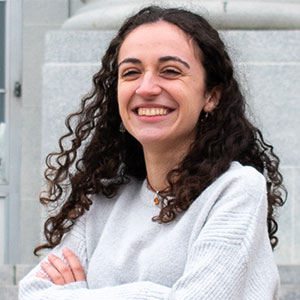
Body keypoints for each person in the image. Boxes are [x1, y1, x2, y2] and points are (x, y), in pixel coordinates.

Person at [19, 5, 286, 300]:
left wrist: (82, 294)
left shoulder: (236, 189)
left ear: (211, 95)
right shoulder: (102, 204)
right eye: (131, 72)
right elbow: (32, 292)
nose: (146, 88)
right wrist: (156, 294)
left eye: (170, 71)